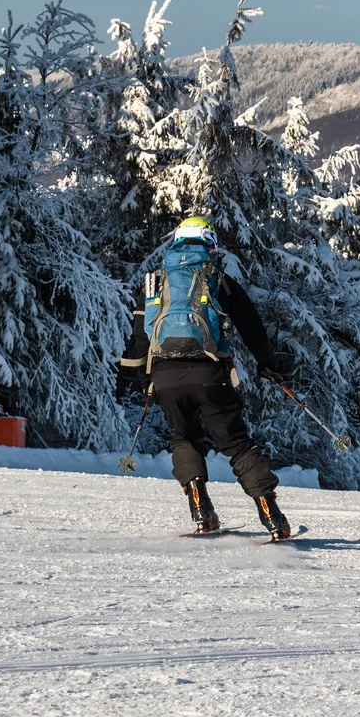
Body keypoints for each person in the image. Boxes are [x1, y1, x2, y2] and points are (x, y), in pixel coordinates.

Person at [117, 216, 295, 540]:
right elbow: (251, 326)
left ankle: (202, 513)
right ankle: (272, 517)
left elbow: (139, 338)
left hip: (166, 376)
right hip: (210, 373)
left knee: (184, 438)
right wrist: (268, 365)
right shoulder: (216, 277)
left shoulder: (155, 281)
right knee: (237, 444)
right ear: (208, 244)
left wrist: (143, 381)